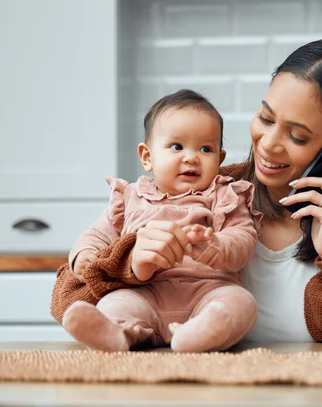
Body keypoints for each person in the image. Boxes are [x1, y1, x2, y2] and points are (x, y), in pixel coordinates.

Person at [51, 38, 322, 344]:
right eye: (265, 118)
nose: (268, 145)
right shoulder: (213, 188)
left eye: (296, 135)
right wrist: (129, 265)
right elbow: (66, 296)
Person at [61, 89, 262, 352]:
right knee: (117, 303)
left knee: (241, 302)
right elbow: (97, 234)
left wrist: (216, 245)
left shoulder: (225, 195)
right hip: (146, 292)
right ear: (147, 156)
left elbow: (243, 237)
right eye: (177, 147)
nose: (191, 157)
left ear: (219, 158)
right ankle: (117, 332)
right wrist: (84, 255)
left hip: (208, 289)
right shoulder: (130, 197)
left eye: (205, 148)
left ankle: (199, 335)